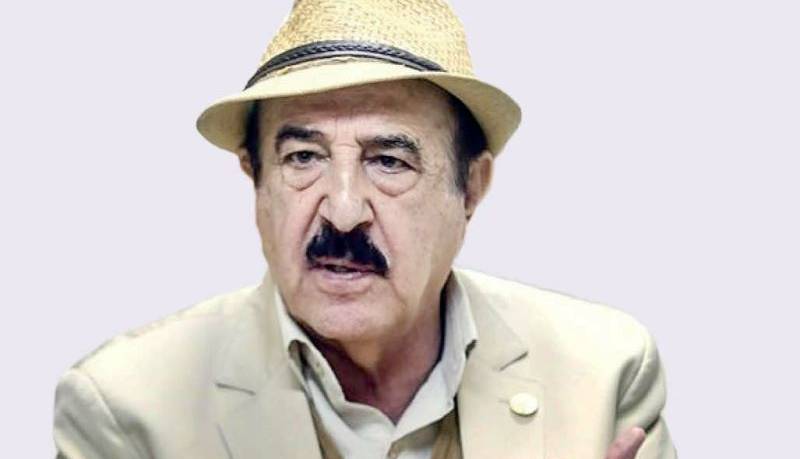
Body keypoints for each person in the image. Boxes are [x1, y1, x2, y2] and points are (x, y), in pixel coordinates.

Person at [53, 0, 676, 458]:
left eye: (389, 161)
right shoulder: (126, 410)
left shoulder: (603, 374)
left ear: (472, 187)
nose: (344, 211)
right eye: (303, 158)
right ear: (256, 180)